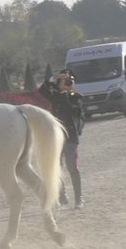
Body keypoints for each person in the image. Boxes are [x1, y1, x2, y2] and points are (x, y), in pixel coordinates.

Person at [39, 72, 85, 208]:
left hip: (71, 137)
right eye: (64, 81)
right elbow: (42, 89)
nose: (67, 83)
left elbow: (73, 109)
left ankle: (79, 199)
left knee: (73, 168)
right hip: (56, 138)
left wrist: (65, 91)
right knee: (56, 167)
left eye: (69, 81)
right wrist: (54, 78)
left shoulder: (75, 97)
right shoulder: (55, 96)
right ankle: (62, 194)